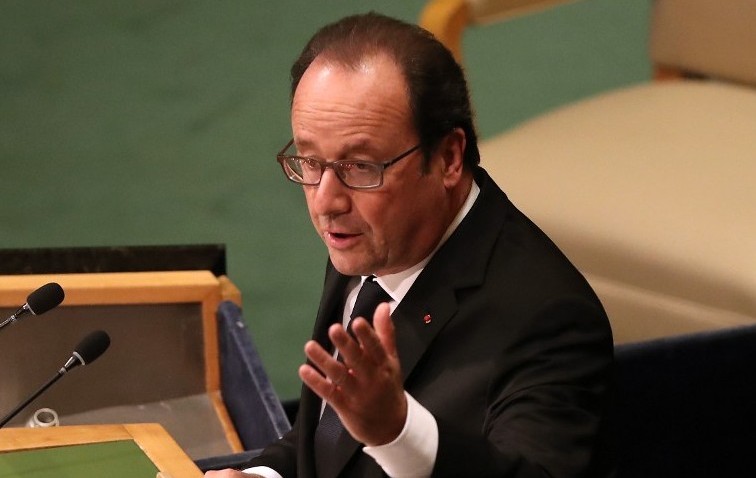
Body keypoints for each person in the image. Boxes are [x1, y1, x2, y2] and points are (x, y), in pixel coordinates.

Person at [206, 11, 614, 478]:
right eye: (309, 160)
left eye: (360, 166)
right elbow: (329, 436)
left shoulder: (548, 318)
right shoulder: (367, 232)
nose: (326, 201)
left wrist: (398, 433)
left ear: (448, 158)